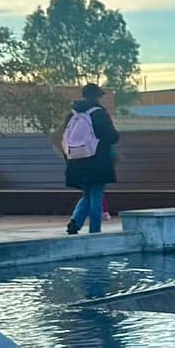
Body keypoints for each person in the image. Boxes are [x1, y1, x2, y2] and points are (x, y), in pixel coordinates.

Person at [62, 83, 118, 235]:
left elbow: (65, 138)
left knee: (87, 194)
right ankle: (95, 231)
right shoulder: (99, 113)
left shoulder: (72, 114)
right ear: (97, 96)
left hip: (76, 160)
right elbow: (112, 137)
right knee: (96, 194)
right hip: (97, 160)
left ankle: (75, 222)